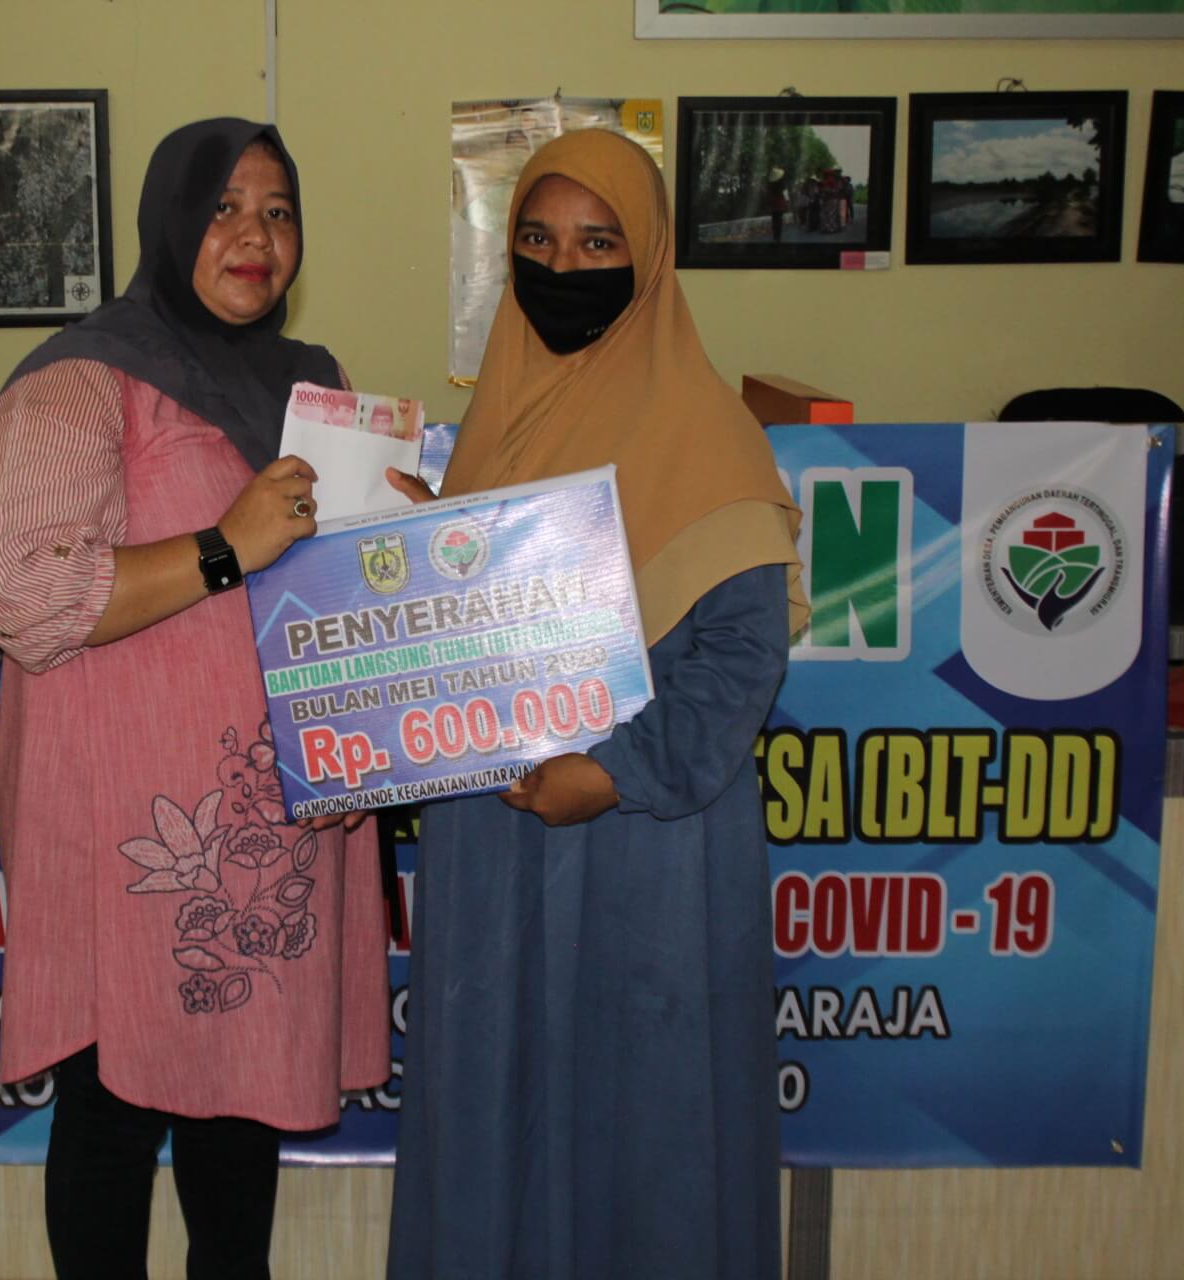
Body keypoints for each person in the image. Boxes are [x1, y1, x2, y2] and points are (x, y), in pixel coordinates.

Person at [384, 128, 808, 1280]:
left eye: (597, 242)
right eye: (536, 240)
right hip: (499, 843)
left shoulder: (709, 434)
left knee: (651, 1123)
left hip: (647, 855)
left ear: (649, 257)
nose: (562, 268)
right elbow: (485, 625)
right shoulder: (501, 420)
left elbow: (740, 659)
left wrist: (615, 772)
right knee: (498, 1113)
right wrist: (425, 551)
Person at [0, 118, 389, 1280]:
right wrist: (222, 545)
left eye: (278, 211)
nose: (255, 235)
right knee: (111, 1118)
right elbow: (22, 595)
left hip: (268, 829)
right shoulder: (81, 380)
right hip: (132, 846)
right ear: (169, 220)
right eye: (224, 209)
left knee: (241, 1119)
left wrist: (364, 733)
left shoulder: (316, 386)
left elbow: (342, 591)